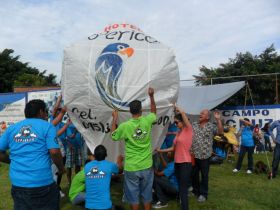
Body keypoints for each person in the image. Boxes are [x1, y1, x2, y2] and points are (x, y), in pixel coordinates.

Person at [0, 99, 65, 210]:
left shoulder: (12, 129)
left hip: (18, 185)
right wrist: (61, 168)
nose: (46, 114)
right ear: (40, 112)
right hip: (43, 184)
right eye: (45, 111)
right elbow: (54, 152)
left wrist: (11, 160)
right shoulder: (47, 126)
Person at [111, 87, 156, 210]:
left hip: (131, 166)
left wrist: (114, 117)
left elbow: (113, 136)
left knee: (133, 196)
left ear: (130, 111)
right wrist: (151, 96)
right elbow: (153, 112)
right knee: (147, 194)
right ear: (141, 110)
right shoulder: (147, 121)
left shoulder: (125, 126)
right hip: (146, 165)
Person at [156, 106, 192, 210]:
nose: (175, 124)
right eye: (175, 122)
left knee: (183, 188)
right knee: (180, 186)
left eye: (177, 122)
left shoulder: (188, 130)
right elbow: (172, 148)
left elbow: (184, 115)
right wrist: (160, 151)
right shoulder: (179, 133)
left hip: (185, 163)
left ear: (183, 122)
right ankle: (179, 199)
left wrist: (178, 108)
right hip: (177, 163)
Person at [191, 109, 223, 202]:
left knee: (204, 176)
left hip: (205, 156)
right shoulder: (194, 124)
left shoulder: (211, 126)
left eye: (202, 113)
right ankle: (195, 191)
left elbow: (220, 132)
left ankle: (203, 194)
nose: (200, 114)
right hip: (194, 155)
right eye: (200, 113)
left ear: (208, 117)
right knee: (194, 175)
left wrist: (218, 120)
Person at [85, 145, 123, 209]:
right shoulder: (110, 165)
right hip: (104, 206)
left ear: (94, 155)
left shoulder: (87, 166)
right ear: (106, 155)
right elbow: (120, 170)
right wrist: (119, 161)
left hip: (89, 206)